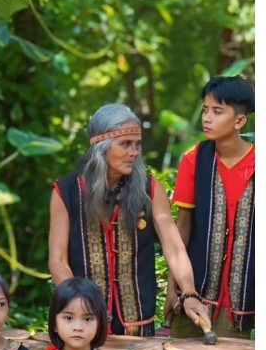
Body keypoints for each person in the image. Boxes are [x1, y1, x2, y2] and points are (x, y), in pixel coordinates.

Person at [47, 103, 210, 336]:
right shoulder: (65, 192)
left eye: (137, 145)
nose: (134, 152)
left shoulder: (150, 189)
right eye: (125, 144)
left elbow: (174, 248)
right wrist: (79, 308)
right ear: (100, 147)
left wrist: (189, 293)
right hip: (83, 326)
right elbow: (58, 260)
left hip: (138, 325)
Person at [172, 76, 255, 339]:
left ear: (239, 121)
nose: (207, 118)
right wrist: (172, 292)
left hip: (241, 301)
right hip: (193, 295)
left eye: (217, 112)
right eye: (205, 110)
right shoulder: (194, 160)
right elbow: (181, 230)